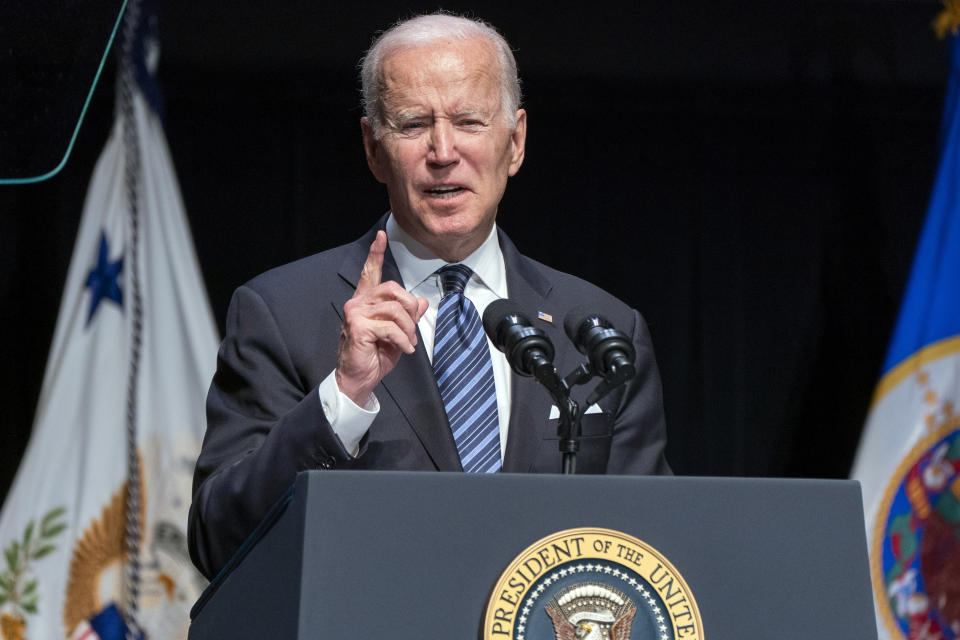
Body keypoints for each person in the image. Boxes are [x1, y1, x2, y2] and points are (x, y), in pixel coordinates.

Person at [188, 13, 670, 580]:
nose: (443, 152)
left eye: (468, 121)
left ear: (513, 143)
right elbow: (216, 539)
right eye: (414, 125)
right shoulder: (282, 313)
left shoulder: (603, 328)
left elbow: (648, 547)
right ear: (373, 148)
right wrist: (342, 397)